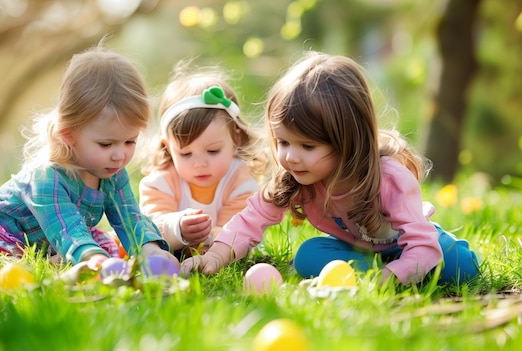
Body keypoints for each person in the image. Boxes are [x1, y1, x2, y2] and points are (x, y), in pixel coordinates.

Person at [181, 51, 480, 285]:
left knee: (460, 266)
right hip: (357, 252)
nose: (291, 157)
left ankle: (403, 269)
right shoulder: (296, 180)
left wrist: (390, 279)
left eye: (307, 147)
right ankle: (382, 273)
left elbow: (421, 245)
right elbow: (251, 220)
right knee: (309, 256)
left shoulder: (388, 178)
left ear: (347, 140)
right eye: (283, 142)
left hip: (410, 243)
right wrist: (216, 255)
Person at [0, 46, 178, 279]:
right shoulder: (47, 176)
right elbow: (66, 227)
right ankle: (53, 268)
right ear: (69, 134)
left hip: (50, 245)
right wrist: (95, 260)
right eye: (106, 144)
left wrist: (150, 249)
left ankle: (66, 265)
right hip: (3, 236)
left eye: (129, 142)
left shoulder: (112, 173)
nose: (119, 155)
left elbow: (129, 217)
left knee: (104, 242)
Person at [139, 64, 267, 258]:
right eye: (186, 154)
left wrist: (208, 243)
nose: (199, 163)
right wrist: (177, 228)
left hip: (223, 252)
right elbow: (148, 225)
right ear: (168, 147)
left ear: (236, 139)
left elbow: (237, 230)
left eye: (213, 151)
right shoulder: (160, 182)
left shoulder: (241, 181)